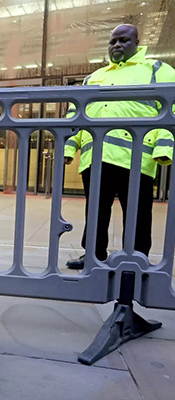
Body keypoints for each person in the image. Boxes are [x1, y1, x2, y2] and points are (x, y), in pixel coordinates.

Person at [64, 24, 175, 270]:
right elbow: (76, 113)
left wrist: (163, 148)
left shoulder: (157, 70)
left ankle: (136, 258)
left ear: (137, 43)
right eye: (112, 41)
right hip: (96, 156)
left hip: (135, 157)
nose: (116, 45)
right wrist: (69, 148)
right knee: (95, 211)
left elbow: (172, 109)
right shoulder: (94, 77)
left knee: (137, 212)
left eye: (123, 40)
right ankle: (93, 255)